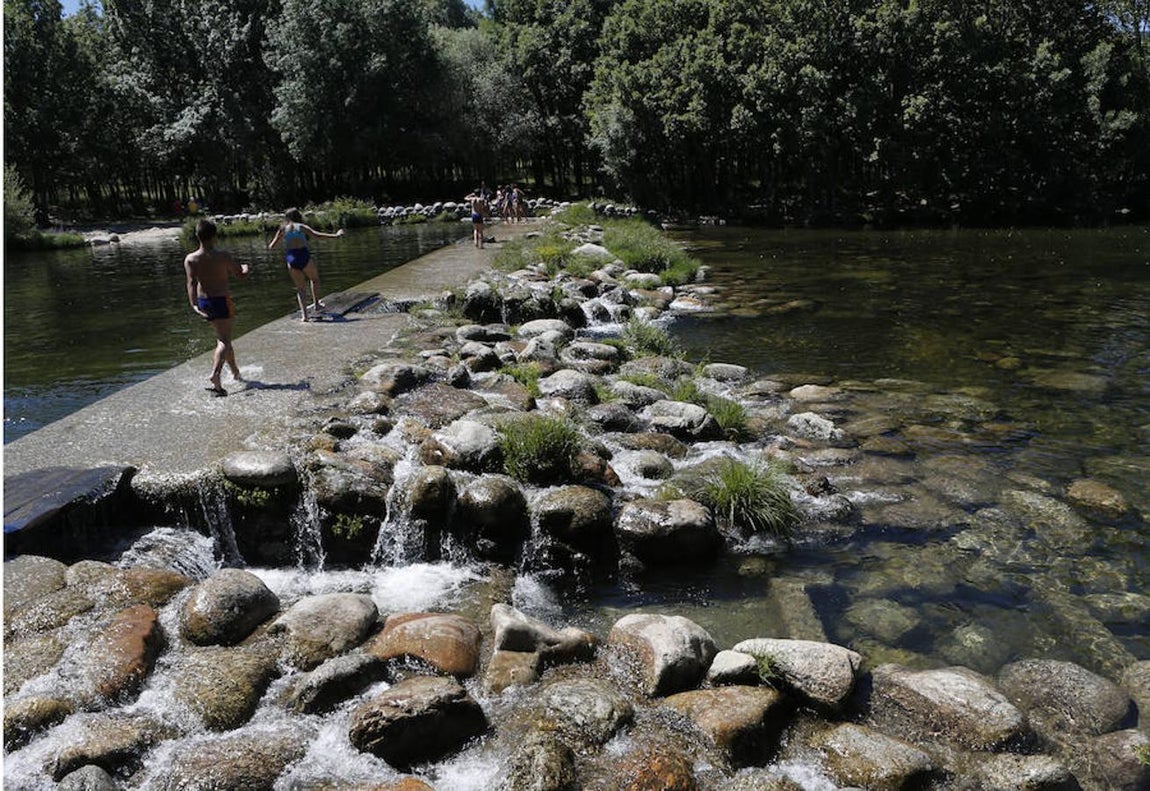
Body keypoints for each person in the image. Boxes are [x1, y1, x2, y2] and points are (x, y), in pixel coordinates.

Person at [184, 218, 249, 396]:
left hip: (204, 302)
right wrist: (245, 268)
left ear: (197, 236)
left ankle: (235, 372)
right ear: (214, 237)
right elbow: (240, 275)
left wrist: (194, 305)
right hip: (221, 300)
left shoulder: (190, 259)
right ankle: (216, 375)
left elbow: (190, 283)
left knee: (223, 336)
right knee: (224, 340)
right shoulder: (223, 256)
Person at [267, 208, 344, 322]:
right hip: (303, 254)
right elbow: (317, 236)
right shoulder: (301, 227)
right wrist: (336, 235)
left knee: (300, 288)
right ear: (298, 216)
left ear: (287, 218)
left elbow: (271, 246)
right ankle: (316, 304)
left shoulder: (282, 229)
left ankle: (305, 316)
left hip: (290, 256)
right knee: (314, 279)